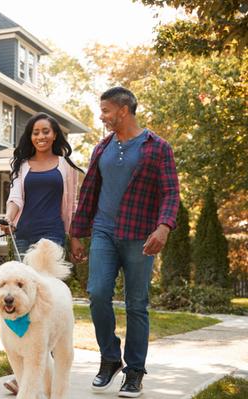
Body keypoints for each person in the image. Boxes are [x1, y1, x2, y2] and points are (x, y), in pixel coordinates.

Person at [70, 87, 179, 397]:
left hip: (141, 235)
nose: (101, 116)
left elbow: (171, 192)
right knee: (97, 294)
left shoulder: (157, 147)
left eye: (105, 110)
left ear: (123, 109)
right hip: (104, 231)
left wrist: (164, 227)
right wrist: (77, 233)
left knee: (136, 305)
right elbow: (89, 192)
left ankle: (134, 371)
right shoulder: (101, 148)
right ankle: (109, 359)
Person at [0, 112, 83, 395]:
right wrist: (8, 218)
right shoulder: (23, 165)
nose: (41, 136)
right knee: (23, 303)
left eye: (46, 131)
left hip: (53, 236)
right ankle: (25, 372)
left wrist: (74, 239)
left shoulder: (65, 166)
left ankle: (37, 367)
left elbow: (71, 205)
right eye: (36, 132)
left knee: (46, 303)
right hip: (24, 234)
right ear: (30, 136)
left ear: (55, 134)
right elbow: (15, 198)